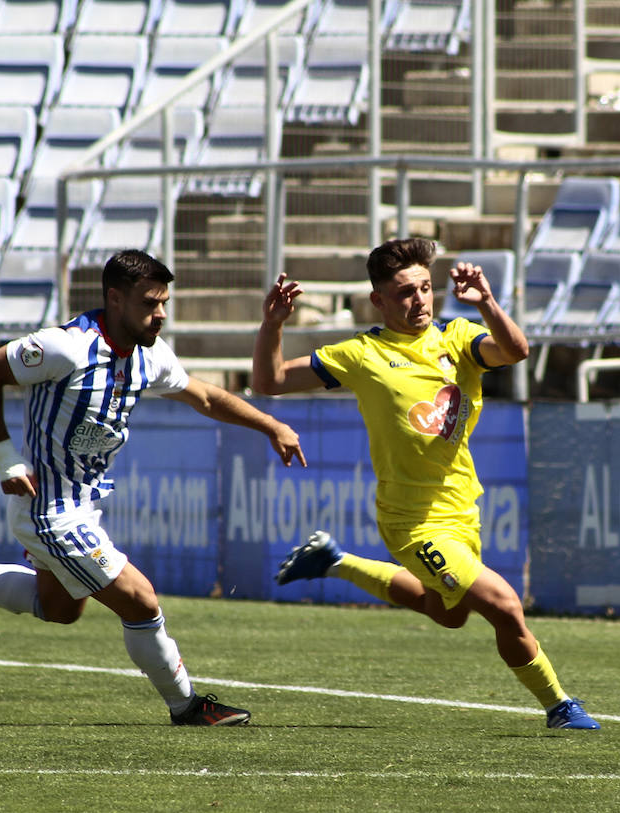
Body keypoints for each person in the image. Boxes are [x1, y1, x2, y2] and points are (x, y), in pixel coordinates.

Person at [0, 249, 306, 726]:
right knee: (140, 600)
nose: (160, 314)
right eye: (150, 303)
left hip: (82, 505)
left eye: (164, 303)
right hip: (48, 508)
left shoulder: (150, 354)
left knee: (58, 608)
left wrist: (270, 425)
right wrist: (6, 458)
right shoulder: (66, 346)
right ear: (115, 299)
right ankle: (187, 705)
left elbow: (203, 396)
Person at [252, 237, 600, 730]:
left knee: (448, 614)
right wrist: (273, 325)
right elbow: (269, 382)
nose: (418, 300)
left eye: (425, 288)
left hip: (462, 509)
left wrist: (488, 304)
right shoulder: (361, 353)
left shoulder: (458, 338)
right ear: (378, 300)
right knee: (503, 604)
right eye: (404, 293)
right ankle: (560, 706)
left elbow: (515, 350)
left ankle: (336, 560)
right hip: (411, 522)